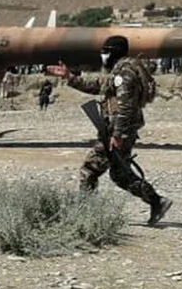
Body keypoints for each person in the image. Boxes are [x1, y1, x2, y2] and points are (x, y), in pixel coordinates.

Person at [48, 36, 172, 226]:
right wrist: (69, 77)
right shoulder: (118, 71)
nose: (103, 55)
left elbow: (126, 107)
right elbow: (96, 86)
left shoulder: (125, 74)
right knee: (120, 175)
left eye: (106, 51)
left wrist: (117, 135)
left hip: (117, 132)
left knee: (89, 170)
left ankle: (85, 215)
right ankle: (157, 201)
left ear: (114, 52)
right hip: (117, 131)